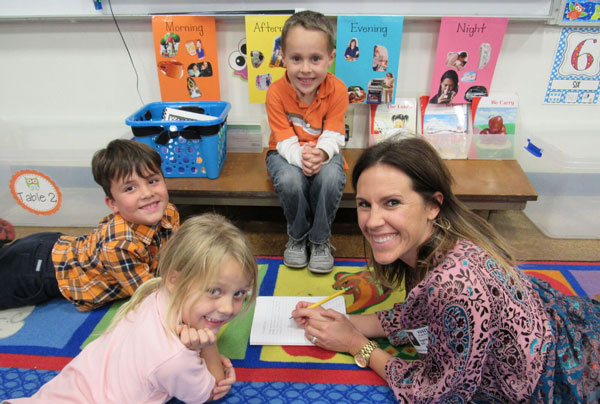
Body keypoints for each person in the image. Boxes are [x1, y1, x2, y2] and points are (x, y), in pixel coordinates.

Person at [292, 137, 600, 403]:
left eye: (392, 202)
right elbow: (423, 311)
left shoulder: (455, 286)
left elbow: (438, 393)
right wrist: (345, 321)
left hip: (566, 374)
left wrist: (357, 345)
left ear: (432, 206)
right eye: (364, 204)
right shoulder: (435, 243)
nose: (372, 221)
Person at [5, 213, 258, 403]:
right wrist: (207, 345)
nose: (227, 308)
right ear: (175, 279)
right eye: (214, 291)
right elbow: (212, 390)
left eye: (239, 294)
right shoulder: (175, 358)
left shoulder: (153, 293)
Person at [0, 139, 179, 311]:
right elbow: (151, 296)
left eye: (152, 181)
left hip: (57, 245)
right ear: (113, 204)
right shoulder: (119, 245)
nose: (147, 193)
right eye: (130, 188)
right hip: (38, 271)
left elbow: (178, 255)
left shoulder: (168, 211)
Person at [265, 10, 349, 274]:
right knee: (291, 180)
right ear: (283, 58)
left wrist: (320, 154)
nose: (305, 69)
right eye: (296, 58)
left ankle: (320, 240)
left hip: (324, 150)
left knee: (330, 179)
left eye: (315, 59)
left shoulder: (338, 90)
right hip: (284, 151)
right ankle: (298, 236)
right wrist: (302, 158)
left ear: (330, 59)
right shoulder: (276, 92)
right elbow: (283, 138)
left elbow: (334, 134)